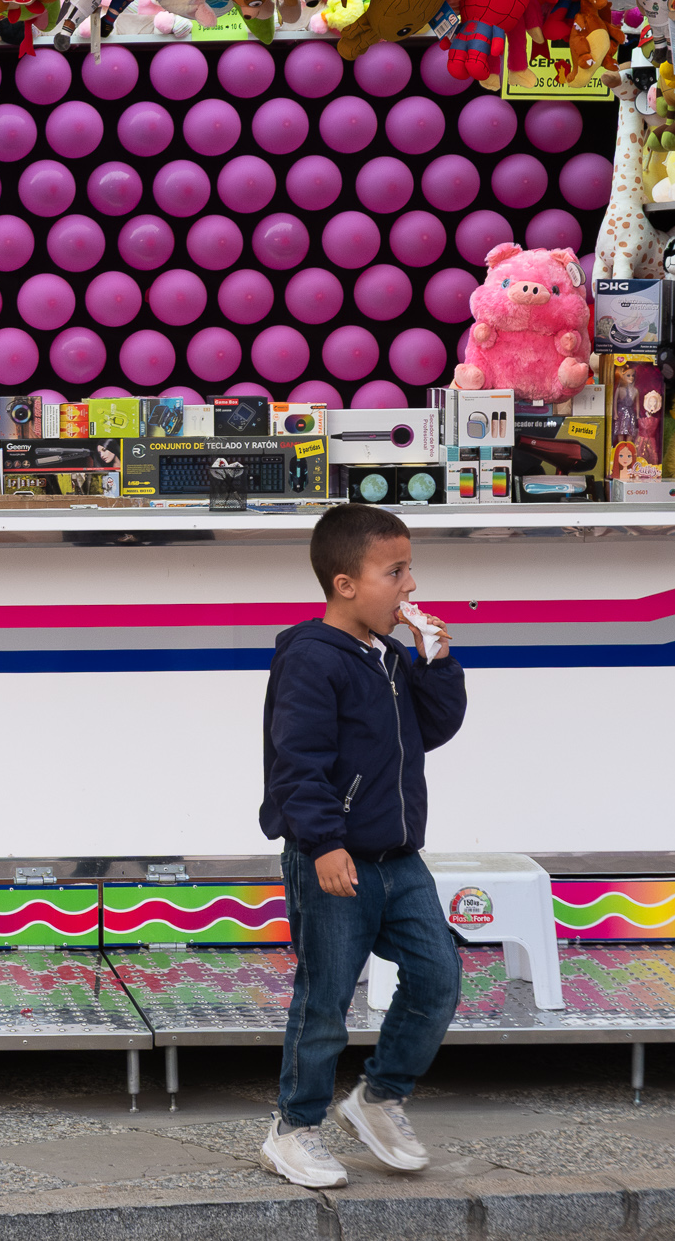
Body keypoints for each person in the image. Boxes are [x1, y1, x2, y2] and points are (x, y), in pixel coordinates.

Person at [258, 502, 467, 1188]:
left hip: (398, 857)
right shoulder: (312, 659)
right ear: (345, 583)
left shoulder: (387, 656)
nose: (411, 585)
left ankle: (378, 1097)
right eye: (396, 571)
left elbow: (429, 729)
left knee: (438, 974)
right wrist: (320, 842)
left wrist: (436, 661)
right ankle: (294, 1128)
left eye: (410, 568)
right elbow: (298, 760)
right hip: (334, 854)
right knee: (326, 998)